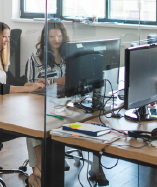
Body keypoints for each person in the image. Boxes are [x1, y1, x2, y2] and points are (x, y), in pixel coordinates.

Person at [22, 22, 107, 186]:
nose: (56, 40)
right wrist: (53, 82)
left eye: (59, 36)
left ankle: (97, 166)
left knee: (96, 118)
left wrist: (57, 81)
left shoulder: (72, 55)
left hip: (70, 101)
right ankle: (39, 169)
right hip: (44, 102)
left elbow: (76, 78)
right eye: (52, 36)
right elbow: (30, 85)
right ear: (45, 37)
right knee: (34, 124)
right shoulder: (35, 58)